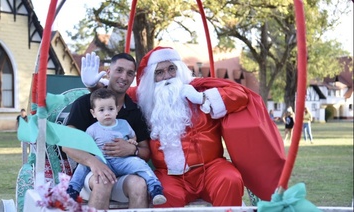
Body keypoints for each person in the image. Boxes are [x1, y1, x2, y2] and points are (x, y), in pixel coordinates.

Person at [132, 46, 286, 207]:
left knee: (230, 180)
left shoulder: (200, 89)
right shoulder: (145, 98)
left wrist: (202, 98)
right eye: (159, 72)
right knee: (163, 194)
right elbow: (116, 94)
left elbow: (241, 95)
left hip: (211, 168)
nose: (167, 77)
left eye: (172, 69)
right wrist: (106, 84)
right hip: (169, 175)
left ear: (181, 70)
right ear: (152, 78)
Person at [62, 52, 151, 209]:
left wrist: (132, 149)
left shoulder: (134, 111)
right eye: (119, 70)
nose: (124, 77)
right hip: (90, 174)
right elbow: (67, 144)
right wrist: (93, 162)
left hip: (123, 173)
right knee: (103, 180)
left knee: (139, 184)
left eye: (130, 73)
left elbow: (146, 151)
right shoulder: (85, 104)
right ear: (108, 72)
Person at [68, 88, 166, 205]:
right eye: (101, 110)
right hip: (102, 160)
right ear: (94, 113)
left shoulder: (124, 124)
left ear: (116, 110)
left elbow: (133, 136)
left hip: (122, 161)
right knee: (83, 165)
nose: (107, 113)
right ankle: (72, 190)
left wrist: (132, 144)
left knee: (139, 164)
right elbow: (85, 147)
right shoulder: (92, 129)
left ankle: (155, 187)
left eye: (110, 109)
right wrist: (92, 158)